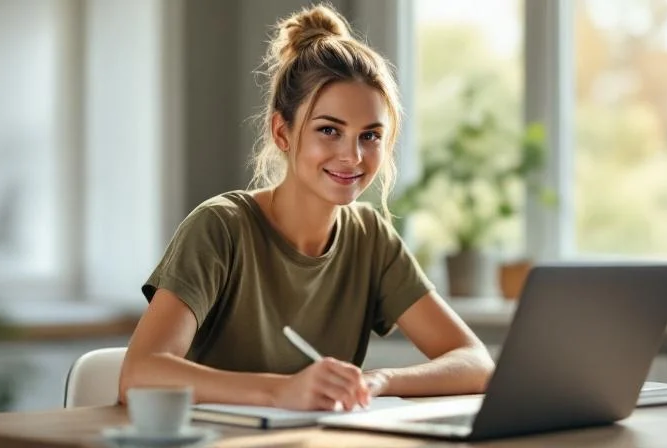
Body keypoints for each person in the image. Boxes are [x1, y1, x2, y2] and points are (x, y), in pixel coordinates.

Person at [119, 3, 494, 412]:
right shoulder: (220, 227)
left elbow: (476, 363)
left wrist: (379, 381)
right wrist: (281, 391)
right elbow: (139, 374)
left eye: (370, 136)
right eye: (329, 130)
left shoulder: (370, 237)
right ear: (282, 132)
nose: (352, 156)